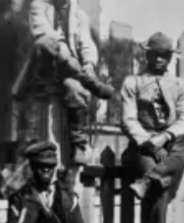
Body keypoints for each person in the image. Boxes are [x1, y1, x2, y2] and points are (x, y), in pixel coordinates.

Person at [119, 32, 184, 223]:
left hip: (169, 141)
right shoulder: (132, 82)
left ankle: (148, 180)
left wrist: (165, 137)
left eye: (165, 55)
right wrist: (147, 141)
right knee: (161, 186)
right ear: (146, 54)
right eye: (155, 54)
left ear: (170, 57)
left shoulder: (178, 85)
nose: (159, 59)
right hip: (142, 145)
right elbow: (128, 119)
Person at [14, 0, 116, 165]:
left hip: (67, 74)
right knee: (45, 42)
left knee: (73, 88)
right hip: (43, 69)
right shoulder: (39, 6)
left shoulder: (79, 15)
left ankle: (78, 143)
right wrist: (67, 56)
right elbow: (43, 32)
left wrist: (89, 65)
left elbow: (86, 44)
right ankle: (89, 82)